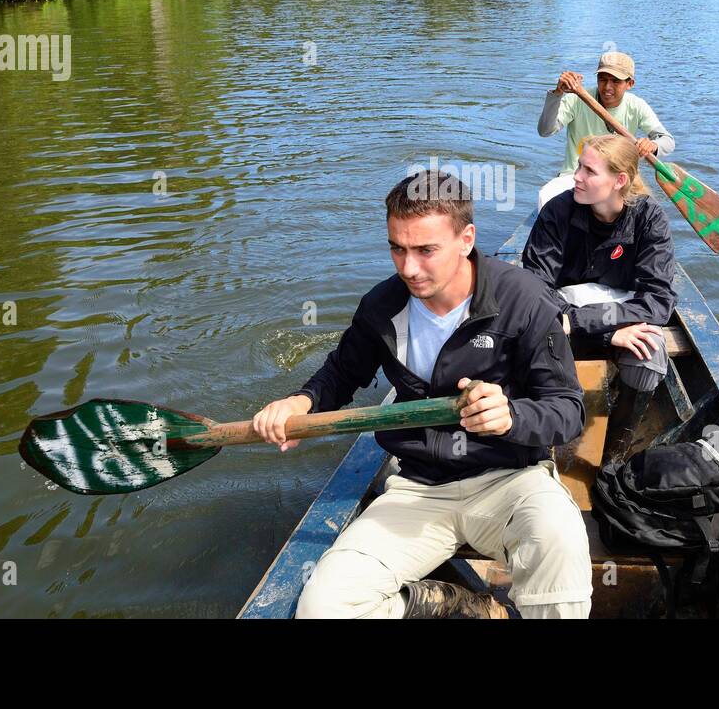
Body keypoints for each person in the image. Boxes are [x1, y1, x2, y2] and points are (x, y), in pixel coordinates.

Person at [251, 169, 592, 619]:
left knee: (562, 554)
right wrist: (300, 403)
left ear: (466, 238)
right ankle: (451, 605)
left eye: (425, 250)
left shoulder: (524, 301)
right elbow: (340, 374)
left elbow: (568, 410)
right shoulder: (382, 306)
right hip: (417, 488)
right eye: (397, 248)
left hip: (509, 479)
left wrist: (511, 416)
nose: (408, 268)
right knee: (323, 608)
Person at [521, 134, 677, 464]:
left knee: (650, 354)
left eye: (589, 171)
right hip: (562, 314)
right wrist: (603, 330)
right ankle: (539, 443)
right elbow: (534, 288)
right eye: (579, 166)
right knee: (525, 342)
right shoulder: (557, 212)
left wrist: (588, 323)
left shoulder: (650, 219)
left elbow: (659, 300)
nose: (576, 176)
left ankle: (612, 458)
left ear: (619, 181)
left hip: (610, 318)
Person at [537, 51, 674, 210]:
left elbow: (668, 141)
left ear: (630, 84)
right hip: (576, 177)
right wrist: (557, 94)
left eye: (615, 81)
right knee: (546, 195)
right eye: (602, 79)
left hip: (618, 181)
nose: (607, 87)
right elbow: (545, 131)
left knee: (643, 211)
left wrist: (653, 145)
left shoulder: (637, 106)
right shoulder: (577, 98)